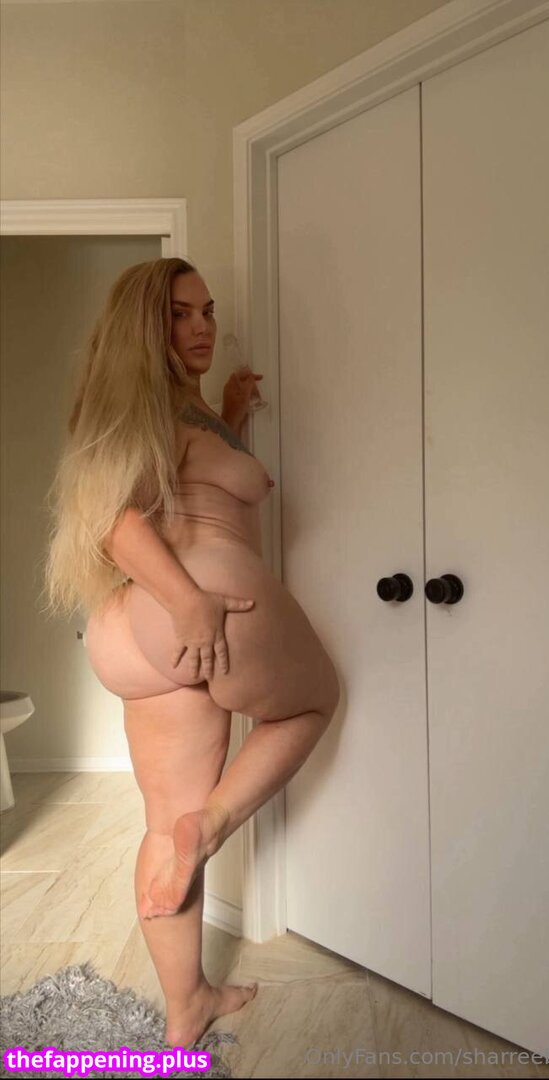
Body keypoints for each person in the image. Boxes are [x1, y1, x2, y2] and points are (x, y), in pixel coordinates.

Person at [40, 257, 341, 1050]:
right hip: (196, 600)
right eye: (179, 314)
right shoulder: (147, 406)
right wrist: (190, 604)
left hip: (126, 632)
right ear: (146, 327)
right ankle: (209, 828)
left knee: (160, 821)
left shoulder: (167, 408)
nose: (202, 325)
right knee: (315, 701)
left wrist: (230, 413)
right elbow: (113, 518)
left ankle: (187, 1008)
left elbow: (187, 472)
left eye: (206, 310)